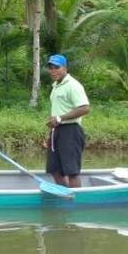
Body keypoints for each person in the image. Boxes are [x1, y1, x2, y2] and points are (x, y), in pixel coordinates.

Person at [45, 54, 90, 189]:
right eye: (51, 68)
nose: (53, 71)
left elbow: (85, 108)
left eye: (56, 67)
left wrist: (60, 118)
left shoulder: (73, 85)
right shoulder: (56, 86)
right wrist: (50, 133)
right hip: (56, 131)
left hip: (71, 131)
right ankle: (65, 196)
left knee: (71, 171)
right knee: (54, 169)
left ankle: (74, 203)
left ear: (64, 68)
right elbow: (57, 111)